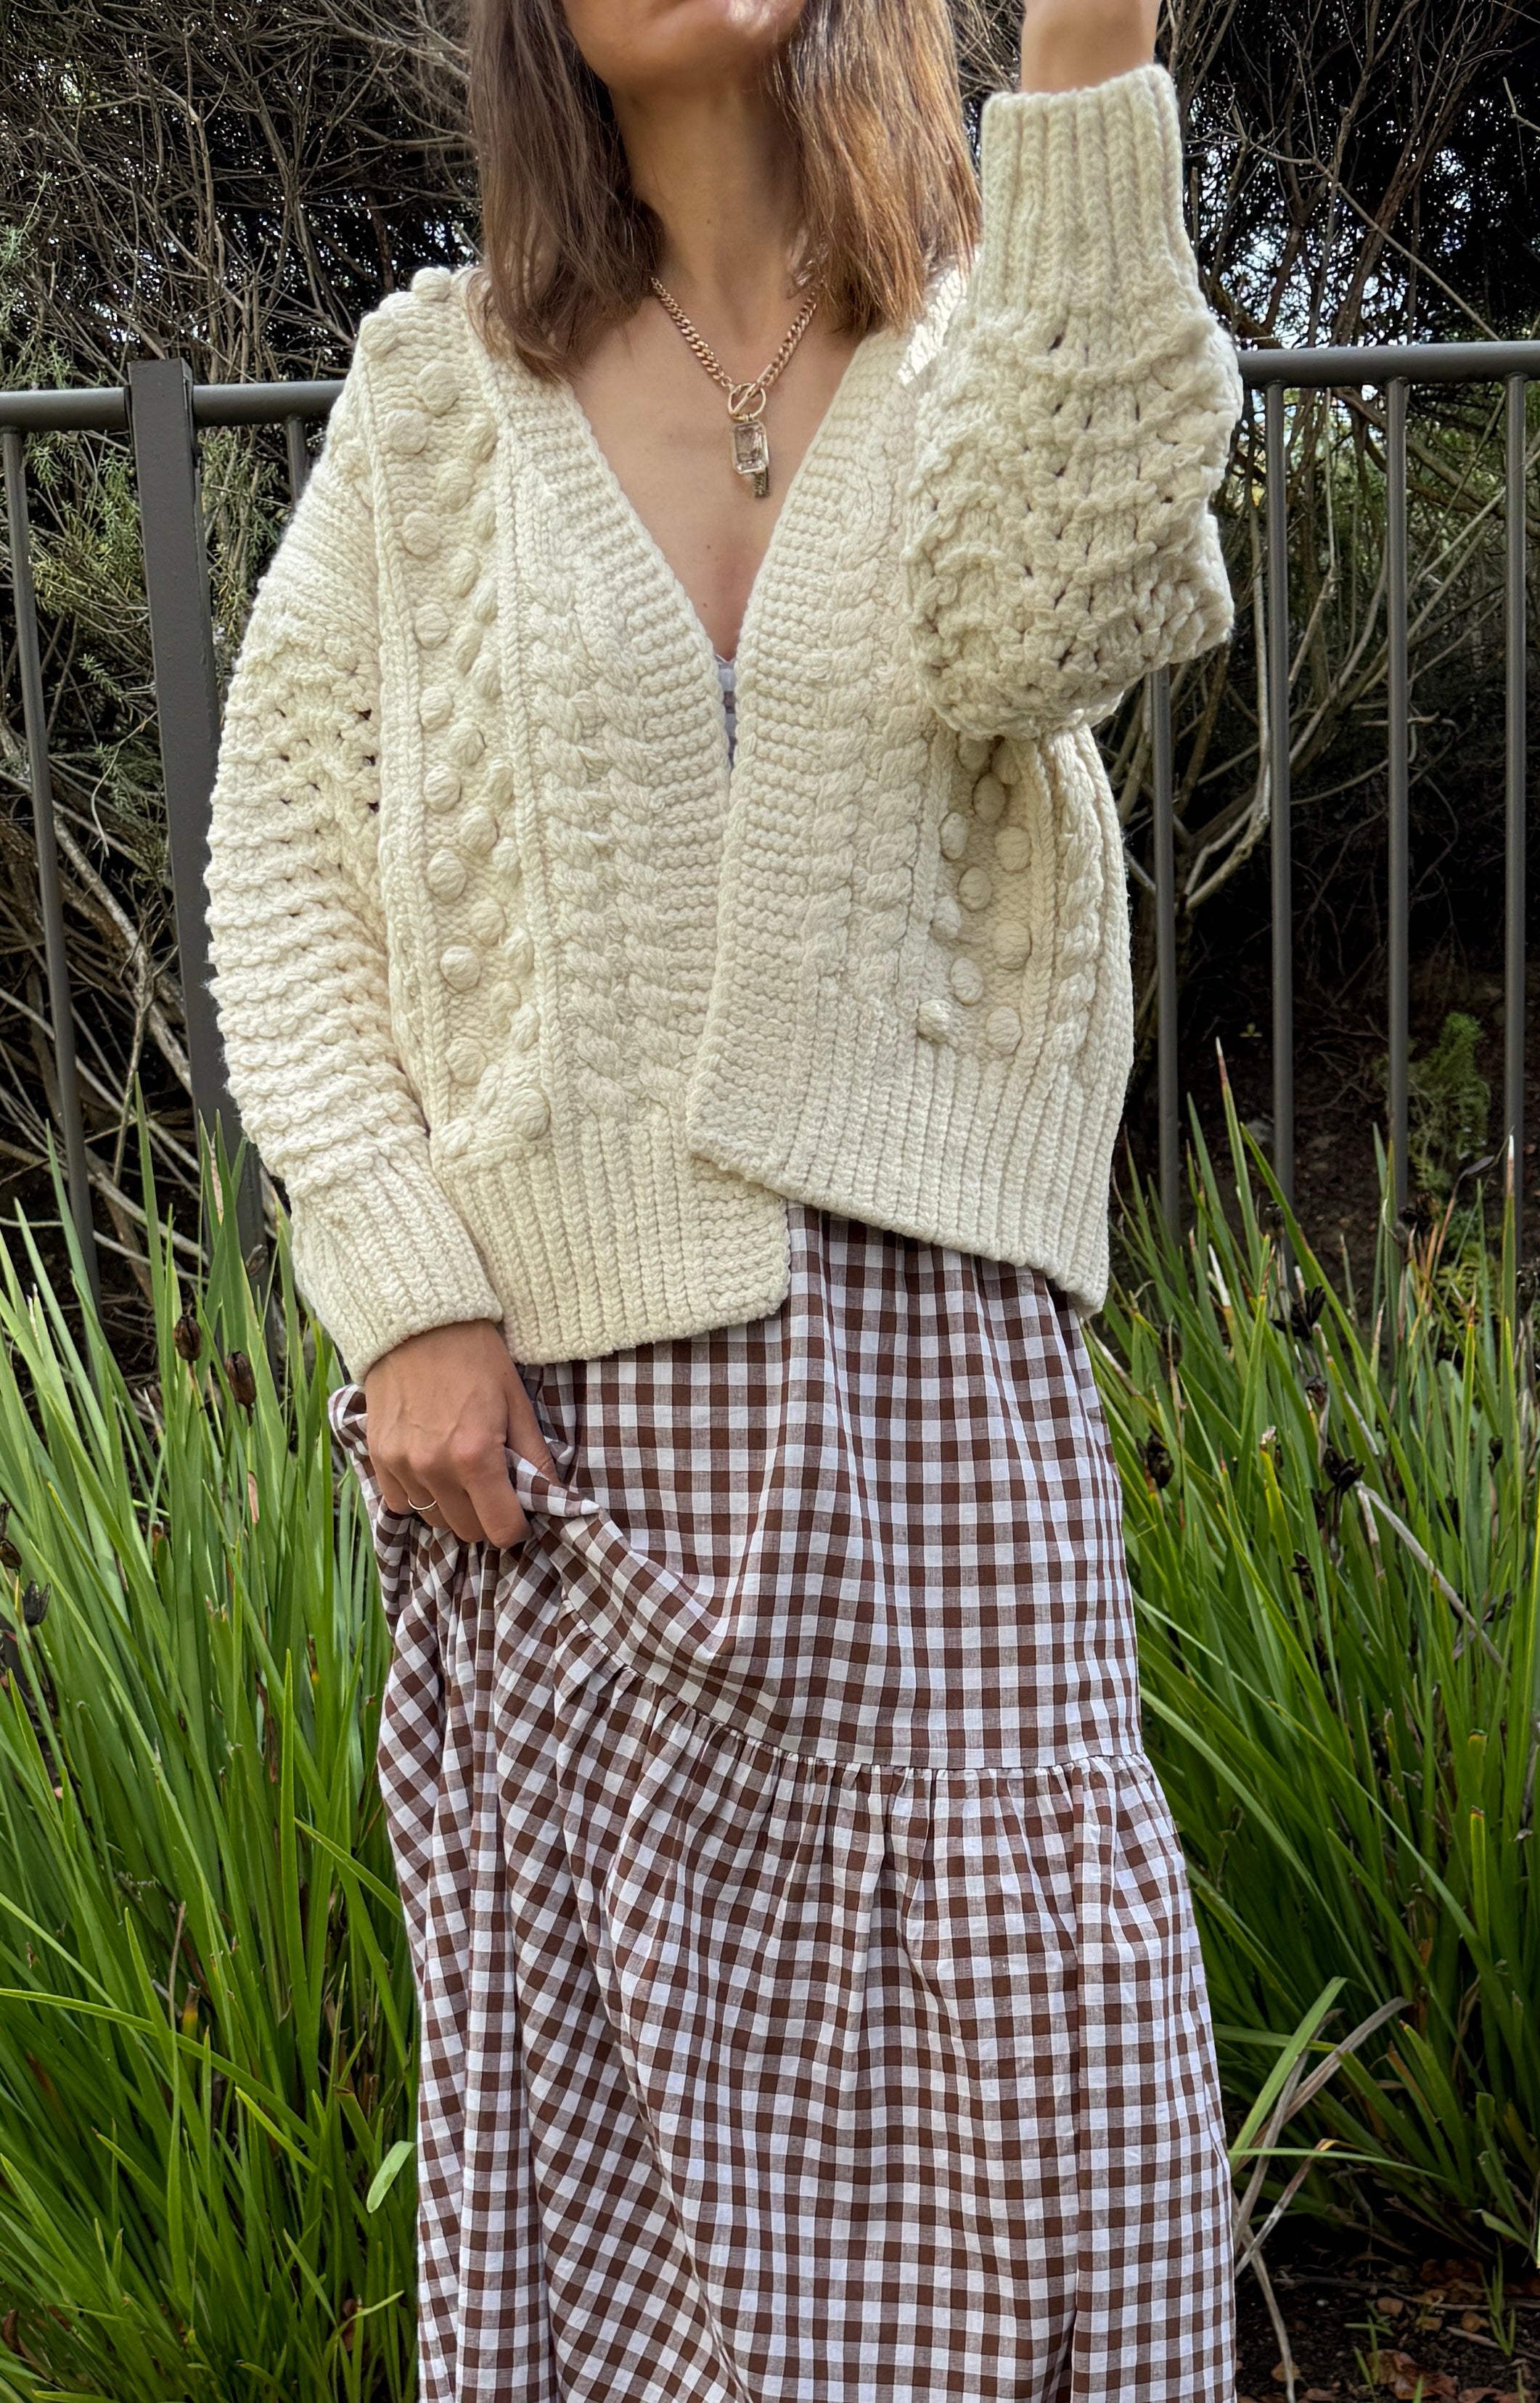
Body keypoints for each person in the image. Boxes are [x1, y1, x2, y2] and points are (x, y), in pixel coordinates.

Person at [205, 0, 1243, 2392]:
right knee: (651, 2242)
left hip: (939, 1427)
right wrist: (402, 1300)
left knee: (1037, 2119)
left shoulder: (983, 337)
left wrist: (1084, 62)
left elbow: (1073, 604)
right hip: (570, 1457)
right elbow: (286, 865)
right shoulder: (429, 397)